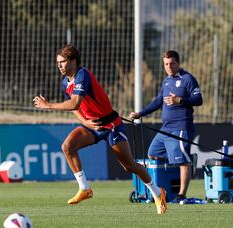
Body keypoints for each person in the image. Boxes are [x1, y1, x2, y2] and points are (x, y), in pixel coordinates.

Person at [33, 44, 167, 214]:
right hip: (92, 126)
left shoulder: (83, 75)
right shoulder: (64, 83)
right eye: (57, 62)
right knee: (67, 147)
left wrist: (48, 106)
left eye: (63, 62)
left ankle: (157, 192)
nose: (59, 65)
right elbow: (76, 109)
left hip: (111, 126)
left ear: (73, 61)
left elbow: (75, 102)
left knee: (130, 166)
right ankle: (84, 189)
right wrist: (86, 122)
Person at [129, 50, 203, 203]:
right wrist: (140, 113)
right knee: (153, 154)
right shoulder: (166, 81)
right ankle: (166, 188)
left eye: (172, 63)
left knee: (182, 162)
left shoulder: (187, 79)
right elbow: (158, 101)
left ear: (178, 63)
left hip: (181, 127)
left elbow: (198, 99)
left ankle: (181, 194)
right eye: (166, 64)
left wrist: (180, 100)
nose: (169, 67)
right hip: (166, 129)